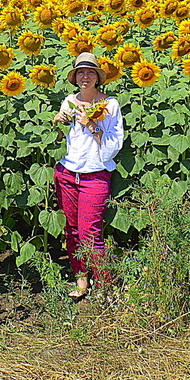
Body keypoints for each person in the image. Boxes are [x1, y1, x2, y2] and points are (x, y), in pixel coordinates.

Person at [51, 52, 125, 299]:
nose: (85, 76)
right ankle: (81, 279)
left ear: (97, 77)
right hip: (67, 173)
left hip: (95, 175)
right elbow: (61, 139)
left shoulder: (110, 105)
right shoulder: (69, 101)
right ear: (74, 77)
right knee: (72, 230)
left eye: (90, 72)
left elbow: (114, 146)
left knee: (89, 233)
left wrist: (91, 124)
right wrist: (57, 122)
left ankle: (105, 286)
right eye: (81, 72)